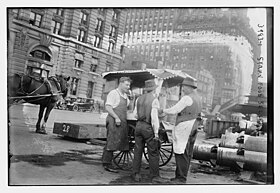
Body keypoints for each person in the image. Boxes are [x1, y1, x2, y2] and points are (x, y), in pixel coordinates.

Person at [161, 79, 202, 184]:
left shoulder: (187, 98)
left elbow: (174, 110)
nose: (182, 89)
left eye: (184, 87)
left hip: (185, 126)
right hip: (194, 126)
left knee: (181, 152)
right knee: (187, 153)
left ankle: (180, 178)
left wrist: (163, 110)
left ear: (189, 87)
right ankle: (181, 176)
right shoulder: (198, 98)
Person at [132, 79, 168, 183]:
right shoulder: (154, 100)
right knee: (153, 152)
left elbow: (135, 115)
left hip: (138, 126)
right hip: (147, 127)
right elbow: (154, 118)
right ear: (154, 89)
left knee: (138, 151)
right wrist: (156, 133)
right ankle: (154, 176)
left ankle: (136, 174)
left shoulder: (138, 99)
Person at [102, 77, 132, 173]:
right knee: (112, 140)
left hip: (121, 121)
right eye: (126, 85)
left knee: (118, 140)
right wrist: (116, 117)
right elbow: (108, 107)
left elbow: (126, 108)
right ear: (121, 83)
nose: (128, 87)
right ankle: (107, 164)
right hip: (113, 120)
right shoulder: (113, 93)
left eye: (129, 85)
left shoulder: (125, 95)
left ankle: (105, 160)